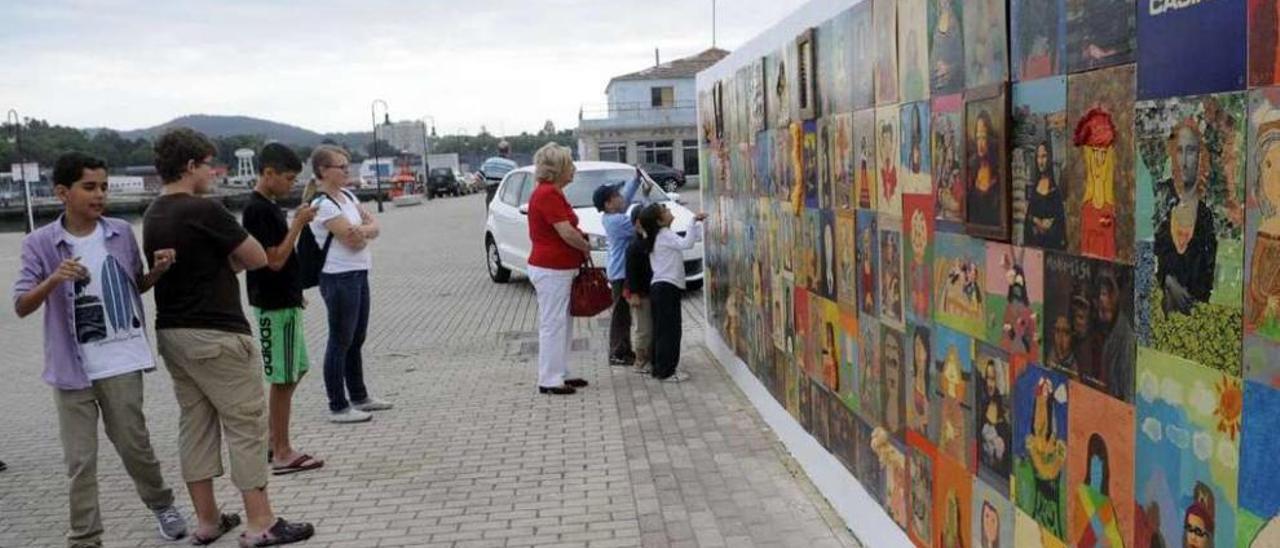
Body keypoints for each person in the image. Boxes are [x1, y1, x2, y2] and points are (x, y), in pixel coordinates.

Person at [142, 128, 313, 546]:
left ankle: (207, 520)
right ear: (190, 166)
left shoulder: (153, 213)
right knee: (245, 425)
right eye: (207, 164)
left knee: (195, 425)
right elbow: (257, 259)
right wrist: (228, 255)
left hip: (173, 331)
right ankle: (261, 522)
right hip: (217, 333)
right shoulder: (204, 209)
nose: (213, 173)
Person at [14, 152, 188, 547]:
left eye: (104, 187)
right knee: (80, 461)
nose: (100, 195)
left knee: (135, 446)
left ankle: (162, 504)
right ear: (62, 192)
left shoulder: (120, 232)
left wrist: (157, 273)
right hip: (71, 368)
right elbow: (22, 305)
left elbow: (134, 286)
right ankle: (85, 538)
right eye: (89, 187)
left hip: (121, 360)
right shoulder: (39, 244)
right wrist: (54, 279)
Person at [241, 143, 323, 474]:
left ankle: (275, 442)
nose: (291, 184)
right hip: (273, 304)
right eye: (288, 178)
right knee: (283, 375)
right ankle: (281, 449)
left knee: (294, 369)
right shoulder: (258, 210)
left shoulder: (268, 207)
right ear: (268, 173)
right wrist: (298, 224)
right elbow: (273, 260)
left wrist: (295, 291)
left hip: (283, 300)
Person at [308, 145, 392, 422]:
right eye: (340, 167)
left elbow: (373, 227)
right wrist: (363, 231)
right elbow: (352, 240)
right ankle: (338, 404)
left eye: (347, 166)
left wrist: (364, 229)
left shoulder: (346, 195)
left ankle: (359, 395)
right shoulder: (322, 205)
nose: (346, 171)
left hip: (359, 272)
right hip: (338, 276)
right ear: (323, 171)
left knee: (357, 338)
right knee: (340, 339)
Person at [527, 143, 591, 394]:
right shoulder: (547, 194)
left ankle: (560, 372)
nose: (574, 169)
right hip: (551, 268)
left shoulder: (552, 193)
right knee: (553, 323)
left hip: (559, 268)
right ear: (559, 168)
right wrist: (585, 245)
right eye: (570, 164)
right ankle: (549, 378)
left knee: (562, 322)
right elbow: (565, 231)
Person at [638, 202, 707, 382]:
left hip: (660, 288)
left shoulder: (659, 235)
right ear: (660, 221)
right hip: (667, 288)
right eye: (665, 211)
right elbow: (687, 243)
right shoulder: (665, 235)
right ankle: (666, 371)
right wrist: (693, 221)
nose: (669, 211)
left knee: (662, 330)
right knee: (670, 331)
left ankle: (659, 367)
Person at [593, 168, 653, 366]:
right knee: (621, 315)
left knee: (624, 313)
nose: (622, 197)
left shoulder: (612, 213)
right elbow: (641, 223)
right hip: (620, 274)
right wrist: (645, 197)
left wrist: (636, 179)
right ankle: (618, 352)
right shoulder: (617, 221)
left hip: (620, 271)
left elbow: (626, 198)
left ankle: (623, 350)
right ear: (608, 204)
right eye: (616, 196)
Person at [626, 208, 655, 375]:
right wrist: (634, 293)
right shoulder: (635, 246)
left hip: (649, 291)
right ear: (638, 223)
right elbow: (631, 272)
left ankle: (648, 358)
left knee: (649, 327)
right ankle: (640, 360)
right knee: (643, 328)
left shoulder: (647, 241)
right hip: (641, 294)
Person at [1025, 141, 1067, 249]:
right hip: (1035, 244)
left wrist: (1049, 225)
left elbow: (1060, 220)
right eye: (1038, 157)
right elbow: (1029, 215)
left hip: (1052, 245)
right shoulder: (1035, 188)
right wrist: (1036, 221)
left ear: (1049, 158)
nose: (1041, 161)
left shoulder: (1055, 190)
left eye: (1044, 156)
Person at [480, 140, 519, 208]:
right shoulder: (512, 165)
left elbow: (477, 178)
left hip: (491, 194)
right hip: (507, 196)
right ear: (509, 151)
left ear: (498, 150)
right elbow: (518, 182)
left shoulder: (488, 162)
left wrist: (484, 186)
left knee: (491, 216)